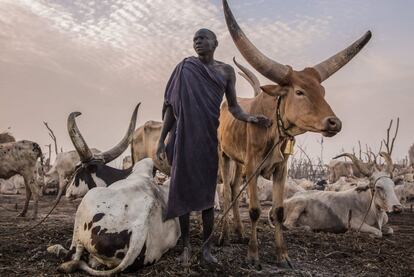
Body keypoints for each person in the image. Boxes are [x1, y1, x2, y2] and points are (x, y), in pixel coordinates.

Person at [156, 28, 271, 266]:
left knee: (208, 197)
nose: (197, 42)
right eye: (195, 39)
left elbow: (234, 106)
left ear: (215, 43)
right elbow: (171, 108)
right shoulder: (185, 68)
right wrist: (162, 138)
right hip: (184, 137)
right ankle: (187, 246)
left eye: (202, 38)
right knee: (183, 193)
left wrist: (250, 118)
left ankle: (207, 249)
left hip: (208, 138)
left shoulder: (226, 72)